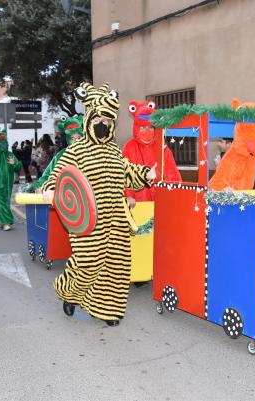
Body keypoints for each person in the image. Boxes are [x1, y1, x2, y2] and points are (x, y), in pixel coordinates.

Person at [41, 82, 156, 326]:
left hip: (116, 220)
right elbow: (58, 176)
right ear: (89, 120)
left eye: (107, 120)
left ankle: (108, 310)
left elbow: (128, 172)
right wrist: (51, 191)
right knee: (88, 264)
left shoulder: (115, 151)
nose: (102, 124)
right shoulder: (77, 151)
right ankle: (69, 293)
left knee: (117, 266)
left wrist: (146, 175)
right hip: (88, 223)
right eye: (97, 119)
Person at [122, 100, 181, 206]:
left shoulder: (163, 148)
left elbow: (173, 174)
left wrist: (175, 194)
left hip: (161, 202)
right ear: (137, 128)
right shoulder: (129, 148)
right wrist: (128, 196)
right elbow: (125, 174)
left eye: (150, 127)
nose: (147, 131)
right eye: (143, 127)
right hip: (138, 204)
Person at [209, 99, 255, 191]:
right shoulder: (231, 158)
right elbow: (217, 184)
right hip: (237, 204)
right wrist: (225, 193)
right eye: (252, 140)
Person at [32, 114, 83, 191]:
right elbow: (48, 175)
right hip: (66, 196)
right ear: (67, 138)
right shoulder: (62, 155)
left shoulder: (91, 152)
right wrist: (34, 187)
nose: (75, 141)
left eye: (79, 137)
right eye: (72, 138)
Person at [0, 128, 21, 231]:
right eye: (0, 142)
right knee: (2, 202)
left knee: (4, 202)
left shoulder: (10, 154)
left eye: (5, 142)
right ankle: (6, 222)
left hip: (8, 184)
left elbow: (18, 167)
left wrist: (14, 163)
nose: (3, 144)